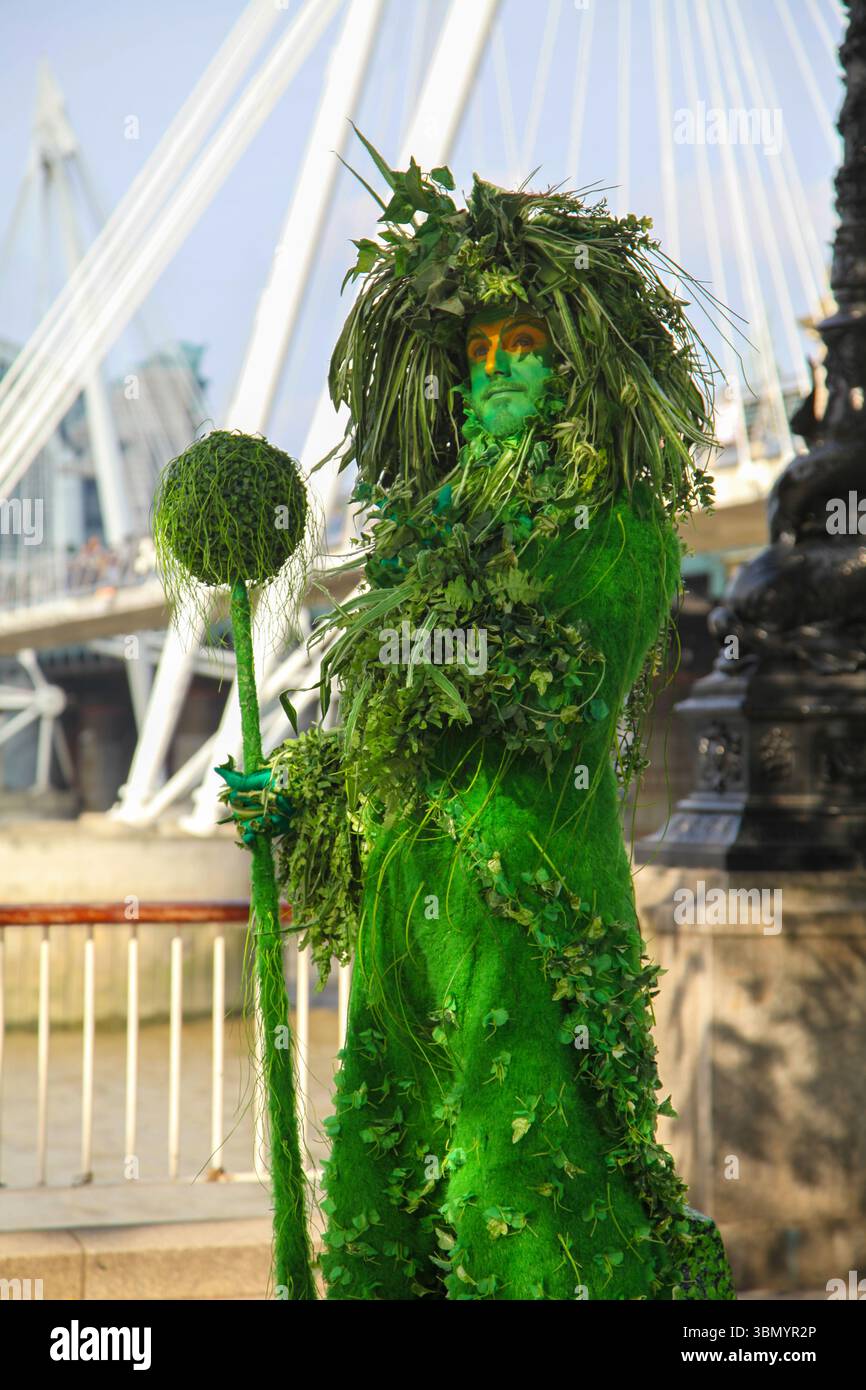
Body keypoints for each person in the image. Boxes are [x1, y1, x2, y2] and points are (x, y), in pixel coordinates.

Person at [219, 146, 734, 1300]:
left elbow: (535, 681)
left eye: (522, 350)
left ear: (575, 373)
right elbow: (390, 749)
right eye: (480, 352)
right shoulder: (417, 540)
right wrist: (298, 798)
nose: (496, 371)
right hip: (413, 925)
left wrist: (436, 567)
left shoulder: (623, 537)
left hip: (528, 915)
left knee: (532, 1197)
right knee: (379, 1192)